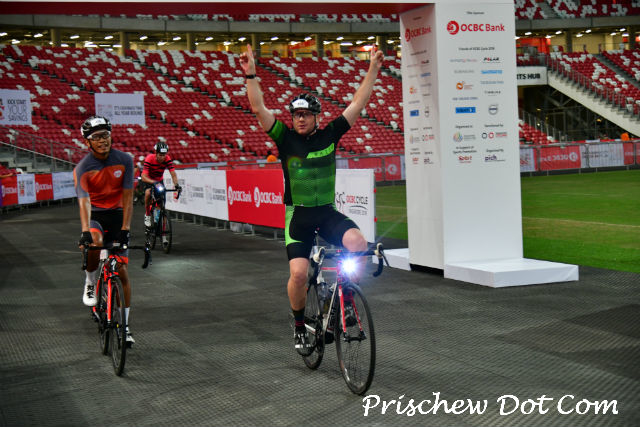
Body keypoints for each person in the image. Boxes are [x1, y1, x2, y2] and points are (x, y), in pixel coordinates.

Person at [239, 43, 384, 352]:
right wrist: (251, 74)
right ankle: (298, 325)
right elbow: (258, 109)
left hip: (326, 212)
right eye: (296, 115)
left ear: (317, 116)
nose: (300, 119)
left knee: (358, 243)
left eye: (305, 114)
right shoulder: (285, 138)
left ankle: (344, 298)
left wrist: (373, 67)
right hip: (299, 216)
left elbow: (358, 103)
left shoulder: (330, 134)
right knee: (299, 274)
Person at [74, 115, 136, 344]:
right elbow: (84, 202)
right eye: (97, 137)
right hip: (96, 216)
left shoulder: (125, 160)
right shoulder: (83, 168)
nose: (102, 140)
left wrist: (126, 229)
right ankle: (90, 281)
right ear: (88, 142)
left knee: (122, 272)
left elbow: (128, 198)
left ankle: (125, 327)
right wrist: (84, 231)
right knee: (94, 241)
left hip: (117, 215)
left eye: (105, 135)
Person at [140, 142, 180, 228]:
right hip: (149, 180)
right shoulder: (149, 158)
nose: (162, 157)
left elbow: (173, 174)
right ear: (156, 153)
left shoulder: (167, 158)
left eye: (164, 155)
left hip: (159, 181)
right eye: (160, 155)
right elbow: (143, 177)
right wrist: (153, 182)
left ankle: (161, 227)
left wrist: (176, 185)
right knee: (148, 193)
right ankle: (147, 214)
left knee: (162, 204)